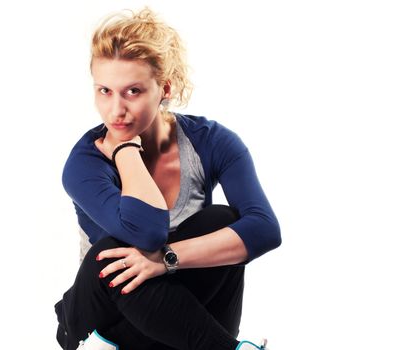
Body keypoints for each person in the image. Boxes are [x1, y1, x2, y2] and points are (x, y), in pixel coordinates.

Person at [54, 7, 281, 350]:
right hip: (100, 321)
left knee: (224, 220)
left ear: (165, 89)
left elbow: (265, 229)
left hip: (179, 319)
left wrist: (167, 260)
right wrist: (126, 150)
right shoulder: (85, 162)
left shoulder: (211, 142)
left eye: (133, 91)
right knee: (115, 249)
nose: (116, 110)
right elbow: (146, 231)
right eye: (104, 91)